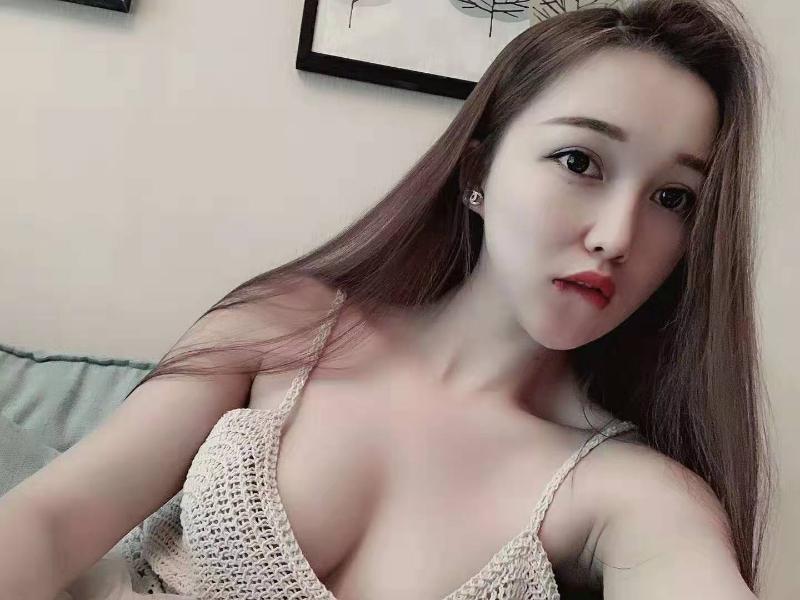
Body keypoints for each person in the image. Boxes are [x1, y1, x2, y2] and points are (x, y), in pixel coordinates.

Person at [0, 0, 775, 599]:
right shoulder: (283, 324)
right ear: (478, 170)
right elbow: (52, 522)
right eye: (579, 161)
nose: (616, 236)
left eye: (673, 198)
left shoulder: (628, 490)